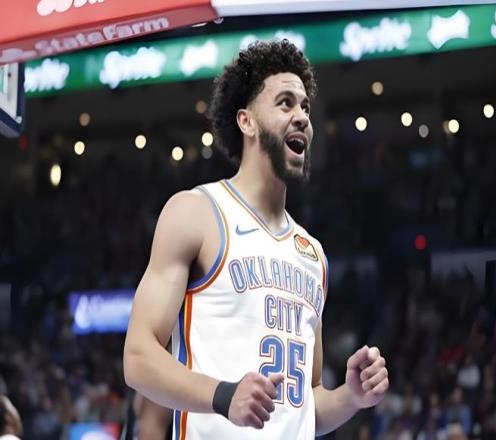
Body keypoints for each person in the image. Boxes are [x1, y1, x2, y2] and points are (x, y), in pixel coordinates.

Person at [123, 39, 389, 439]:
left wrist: (351, 397)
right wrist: (224, 395)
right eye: (285, 103)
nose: (301, 117)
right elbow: (138, 357)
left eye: (305, 108)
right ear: (246, 122)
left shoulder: (313, 255)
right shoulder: (196, 212)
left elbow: (306, 406)